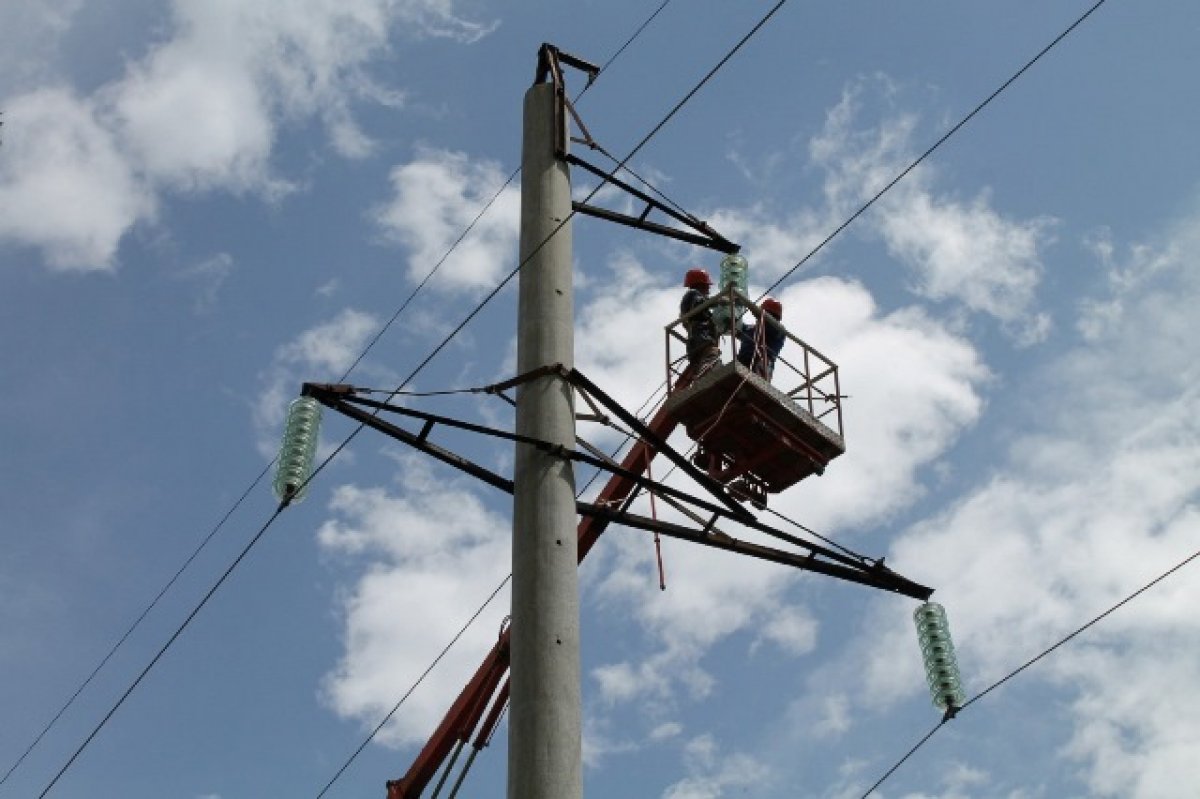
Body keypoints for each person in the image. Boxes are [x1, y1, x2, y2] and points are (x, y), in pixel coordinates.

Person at [680, 268, 719, 372]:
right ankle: (706, 371)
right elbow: (699, 304)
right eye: (707, 285)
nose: (709, 289)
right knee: (712, 354)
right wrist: (718, 301)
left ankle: (701, 373)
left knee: (701, 363)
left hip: (694, 342)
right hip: (701, 337)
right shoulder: (694, 293)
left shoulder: (689, 300)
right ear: (701, 284)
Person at [736, 296, 785, 379]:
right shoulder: (751, 329)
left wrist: (744, 302)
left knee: (753, 387)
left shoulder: (778, 330)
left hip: (761, 363)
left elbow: (764, 320)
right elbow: (736, 328)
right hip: (742, 361)